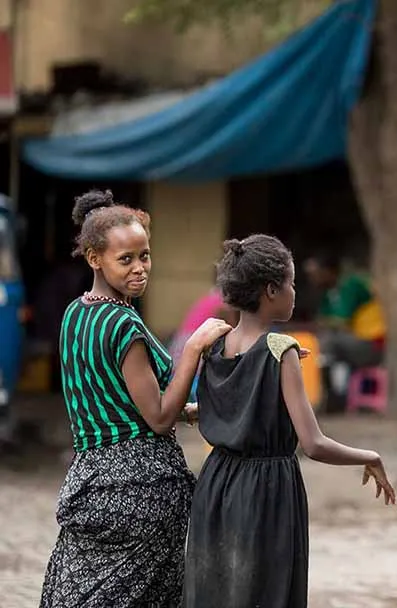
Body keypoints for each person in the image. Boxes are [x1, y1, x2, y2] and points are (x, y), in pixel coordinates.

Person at [39, 190, 231, 608]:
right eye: (125, 260)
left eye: (144, 255)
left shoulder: (76, 313)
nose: (140, 268)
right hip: (142, 490)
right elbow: (158, 418)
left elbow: (114, 400)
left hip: (88, 485)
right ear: (94, 258)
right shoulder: (124, 325)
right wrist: (195, 347)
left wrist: (188, 410)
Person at [183, 234, 396, 608]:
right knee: (267, 592)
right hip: (266, 491)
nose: (295, 292)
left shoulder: (216, 345)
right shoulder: (281, 350)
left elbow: (228, 405)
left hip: (215, 486)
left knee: (217, 590)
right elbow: (312, 443)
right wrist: (368, 455)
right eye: (291, 283)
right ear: (270, 290)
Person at [303, 250, 386, 411]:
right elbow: (322, 321)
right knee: (321, 344)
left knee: (328, 343)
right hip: (352, 343)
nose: (312, 279)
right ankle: (328, 396)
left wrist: (321, 325)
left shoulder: (350, 285)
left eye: (316, 273)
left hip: (371, 344)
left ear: (328, 271)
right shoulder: (329, 293)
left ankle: (334, 398)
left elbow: (341, 322)